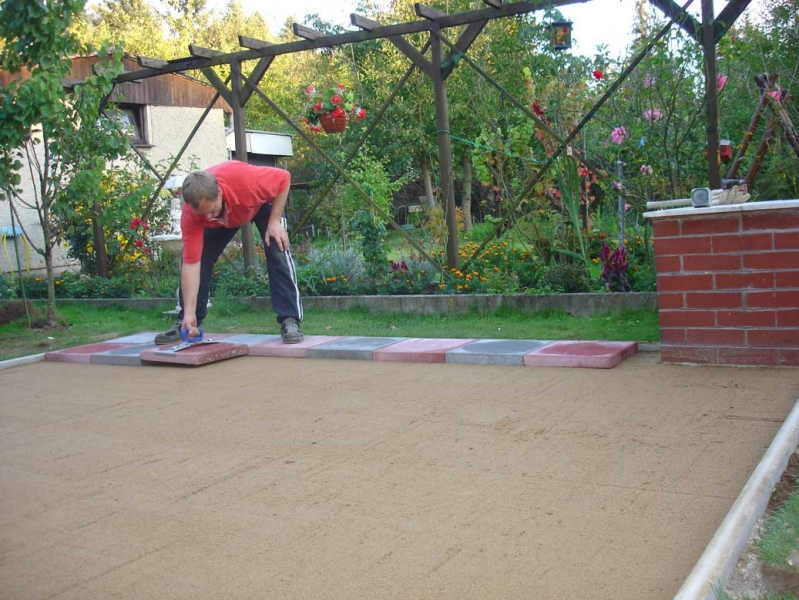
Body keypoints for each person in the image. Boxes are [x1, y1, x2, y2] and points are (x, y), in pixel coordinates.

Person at [154, 161, 304, 345]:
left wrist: (274, 221)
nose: (208, 218)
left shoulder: (246, 180)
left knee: (277, 245)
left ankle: (290, 320)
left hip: (260, 204)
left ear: (219, 192)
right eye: (203, 214)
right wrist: (189, 312)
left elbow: (283, 178)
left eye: (212, 210)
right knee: (200, 255)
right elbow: (192, 264)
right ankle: (187, 322)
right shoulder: (192, 215)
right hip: (230, 215)